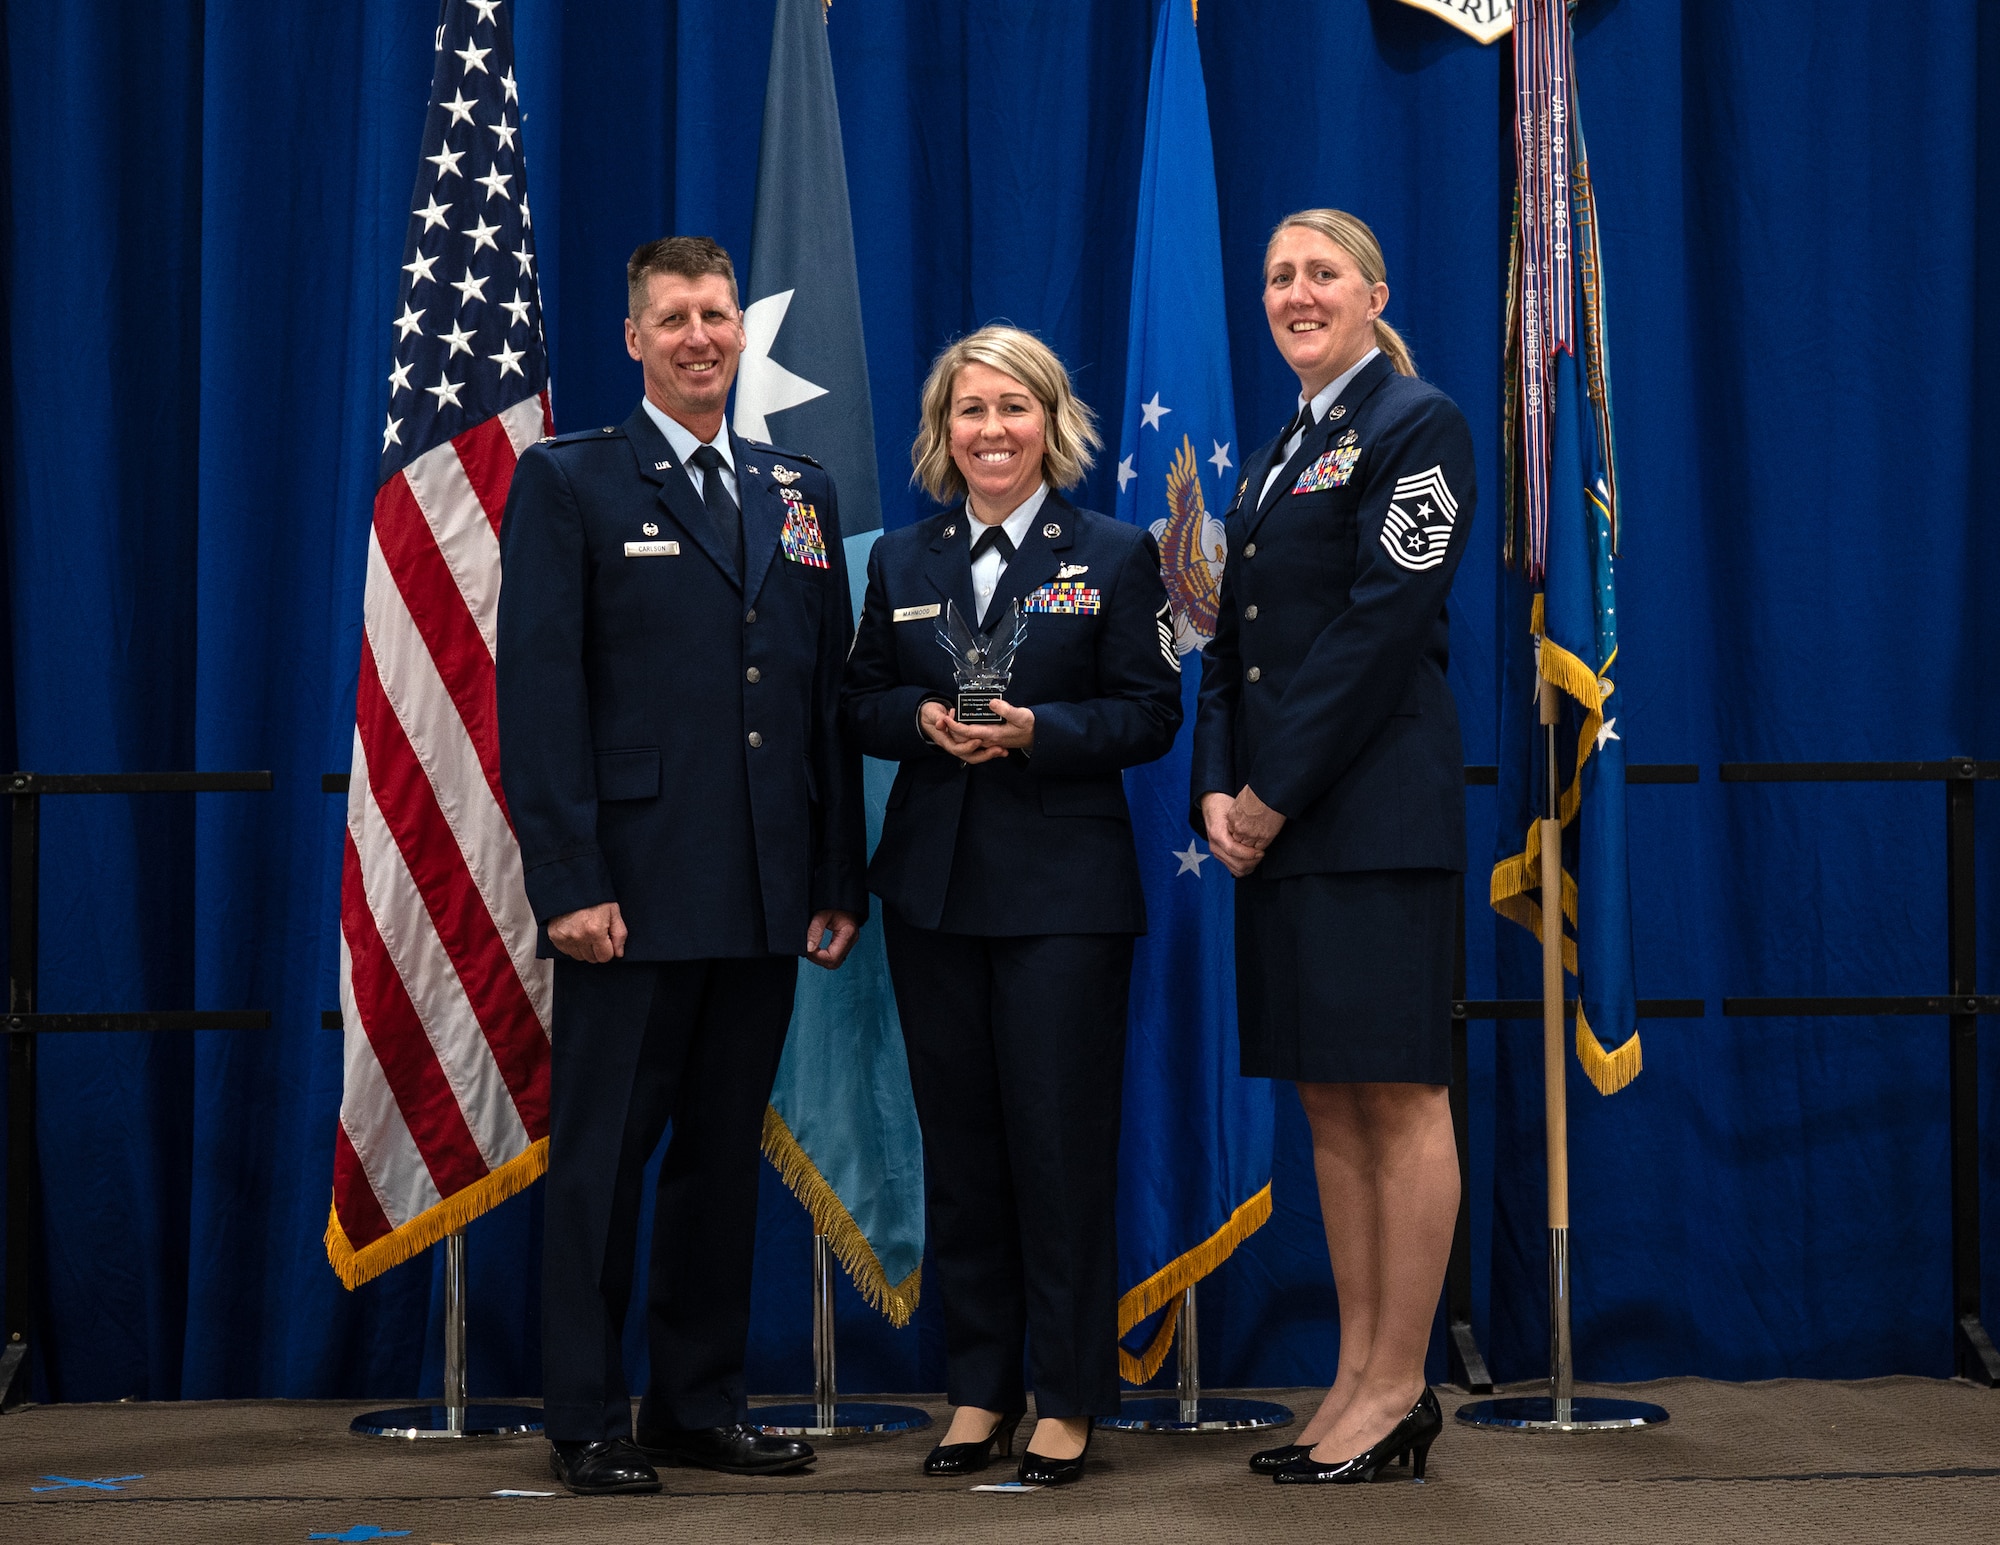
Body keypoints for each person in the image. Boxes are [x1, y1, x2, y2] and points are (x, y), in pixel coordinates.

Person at [496, 236, 866, 1497]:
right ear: (634, 338)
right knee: (602, 1159)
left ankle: (694, 1402)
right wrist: (567, 881)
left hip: (764, 886)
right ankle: (587, 1415)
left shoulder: (794, 489)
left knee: (719, 1156)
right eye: (675, 317)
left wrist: (832, 873)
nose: (701, 335)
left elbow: (817, 704)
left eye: (716, 313)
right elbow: (539, 700)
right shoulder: (571, 484)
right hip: (630, 893)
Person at [842, 326, 1182, 1486]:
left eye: (1012, 408)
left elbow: (1149, 714)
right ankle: (978, 1389)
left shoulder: (1116, 551)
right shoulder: (900, 558)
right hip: (933, 892)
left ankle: (1069, 1396)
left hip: (1063, 899)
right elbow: (861, 699)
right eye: (969, 410)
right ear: (943, 432)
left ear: (1052, 422)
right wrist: (920, 725)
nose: (990, 430)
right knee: (965, 1154)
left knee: (1058, 1152)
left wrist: (1044, 734)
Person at [1192, 209, 1476, 1486]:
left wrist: (1267, 792)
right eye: (1276, 277)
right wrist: (1216, 786)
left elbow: (1376, 627)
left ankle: (1401, 1383)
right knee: (1326, 1095)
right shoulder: (1273, 455)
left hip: (1367, 817)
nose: (1294, 294)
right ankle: (1353, 1375)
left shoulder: (1417, 423)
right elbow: (1226, 640)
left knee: (1398, 1093)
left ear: (1372, 292)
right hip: (1279, 821)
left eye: (1318, 275)